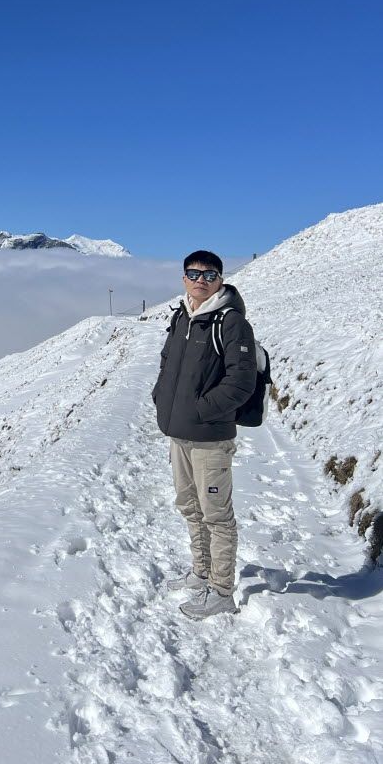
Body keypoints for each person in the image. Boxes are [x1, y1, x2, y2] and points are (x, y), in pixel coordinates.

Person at [152, 250, 257, 618]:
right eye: (194, 273)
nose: (201, 280)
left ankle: (222, 590)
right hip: (179, 435)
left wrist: (199, 411)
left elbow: (241, 382)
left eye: (209, 274)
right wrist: (161, 398)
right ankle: (201, 573)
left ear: (220, 280)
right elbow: (167, 363)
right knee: (190, 507)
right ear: (184, 278)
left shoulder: (230, 322)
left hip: (210, 438)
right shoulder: (182, 316)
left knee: (216, 515)